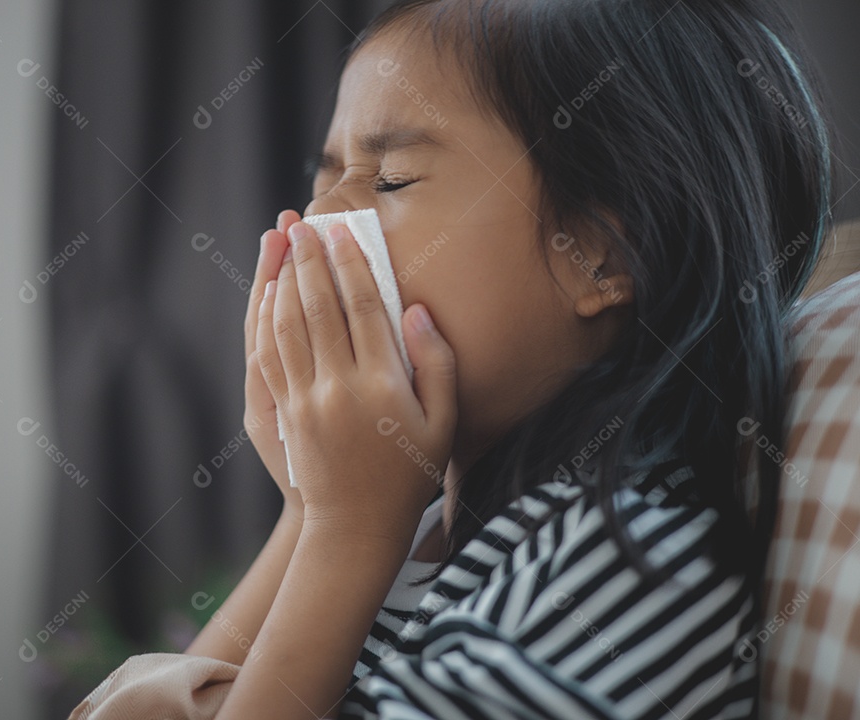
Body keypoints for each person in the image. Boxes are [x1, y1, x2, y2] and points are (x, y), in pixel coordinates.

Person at [184, 0, 838, 717]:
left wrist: (347, 534)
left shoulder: (618, 571)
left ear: (594, 255)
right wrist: (311, 515)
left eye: (391, 178)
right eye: (325, 177)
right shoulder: (413, 530)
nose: (315, 220)